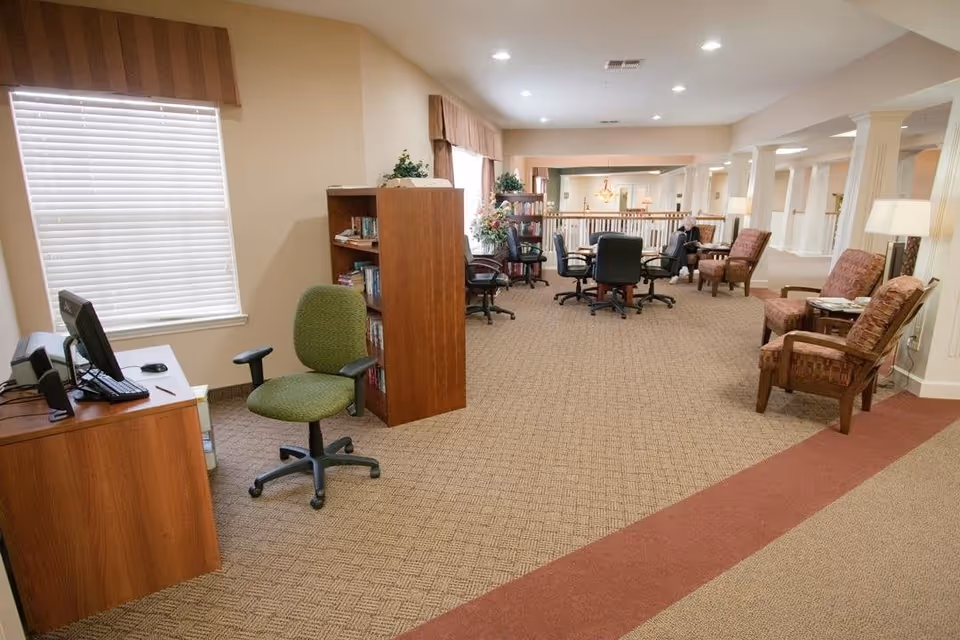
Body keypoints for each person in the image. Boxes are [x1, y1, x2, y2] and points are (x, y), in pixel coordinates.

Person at [669, 215, 701, 284]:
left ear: (693, 225)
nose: (687, 227)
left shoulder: (696, 230)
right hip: (682, 249)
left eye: (689, 225)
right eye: (686, 225)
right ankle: (684, 268)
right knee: (681, 248)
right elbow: (676, 240)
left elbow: (697, 240)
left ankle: (676, 275)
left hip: (692, 249)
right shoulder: (680, 229)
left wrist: (695, 243)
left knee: (680, 250)